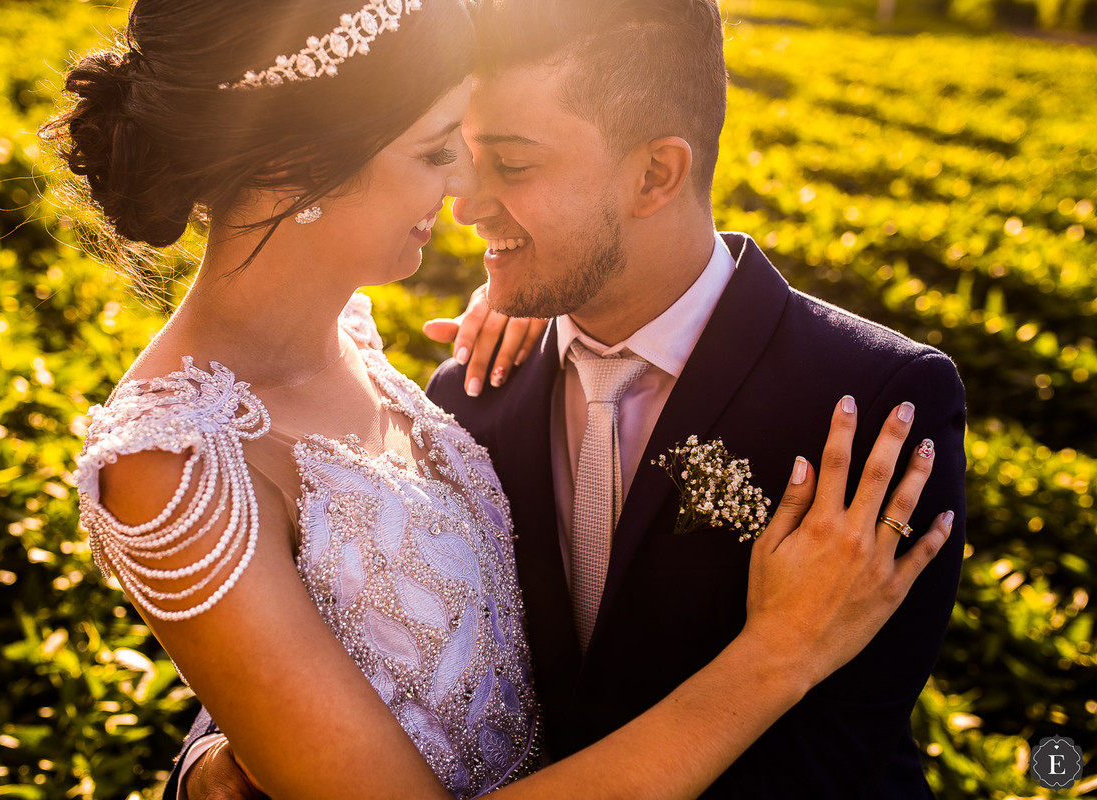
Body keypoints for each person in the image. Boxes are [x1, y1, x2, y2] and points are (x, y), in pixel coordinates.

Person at [51, 0, 955, 798]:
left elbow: (830, 761)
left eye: (508, 164)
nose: (462, 197)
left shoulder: (869, 402)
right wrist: (224, 756)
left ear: (655, 175)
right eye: (445, 150)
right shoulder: (477, 389)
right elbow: (304, 642)